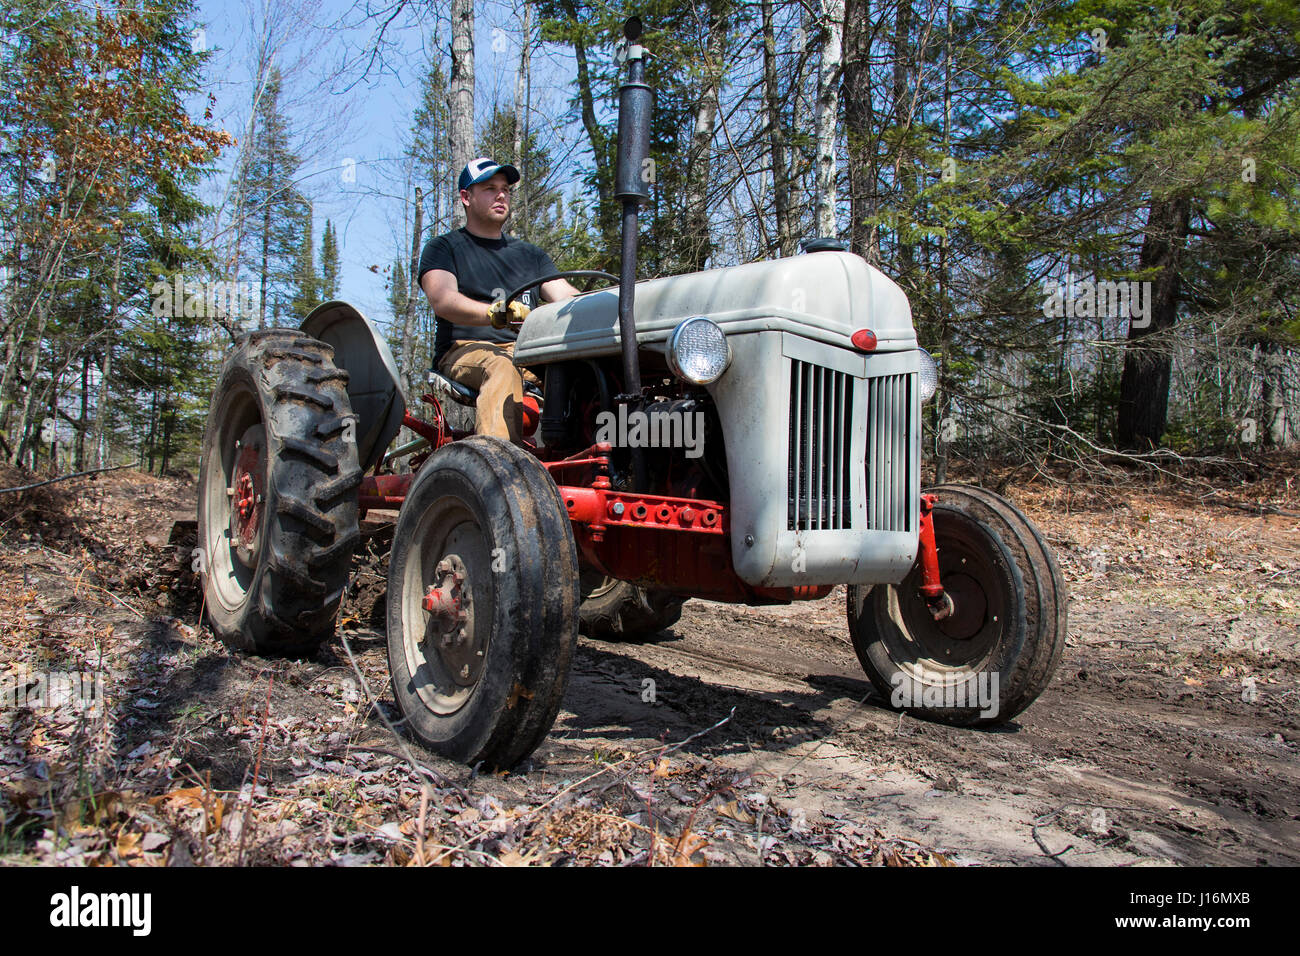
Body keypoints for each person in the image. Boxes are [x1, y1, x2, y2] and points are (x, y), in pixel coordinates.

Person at [418, 157, 582, 444]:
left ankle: (592, 463)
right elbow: (444, 300)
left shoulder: (531, 255)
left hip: (526, 352)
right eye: (490, 188)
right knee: (502, 366)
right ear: (466, 197)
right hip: (464, 350)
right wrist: (498, 313)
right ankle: (497, 470)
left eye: (505, 188)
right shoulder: (444, 248)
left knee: (586, 374)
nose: (501, 195)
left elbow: (566, 296)